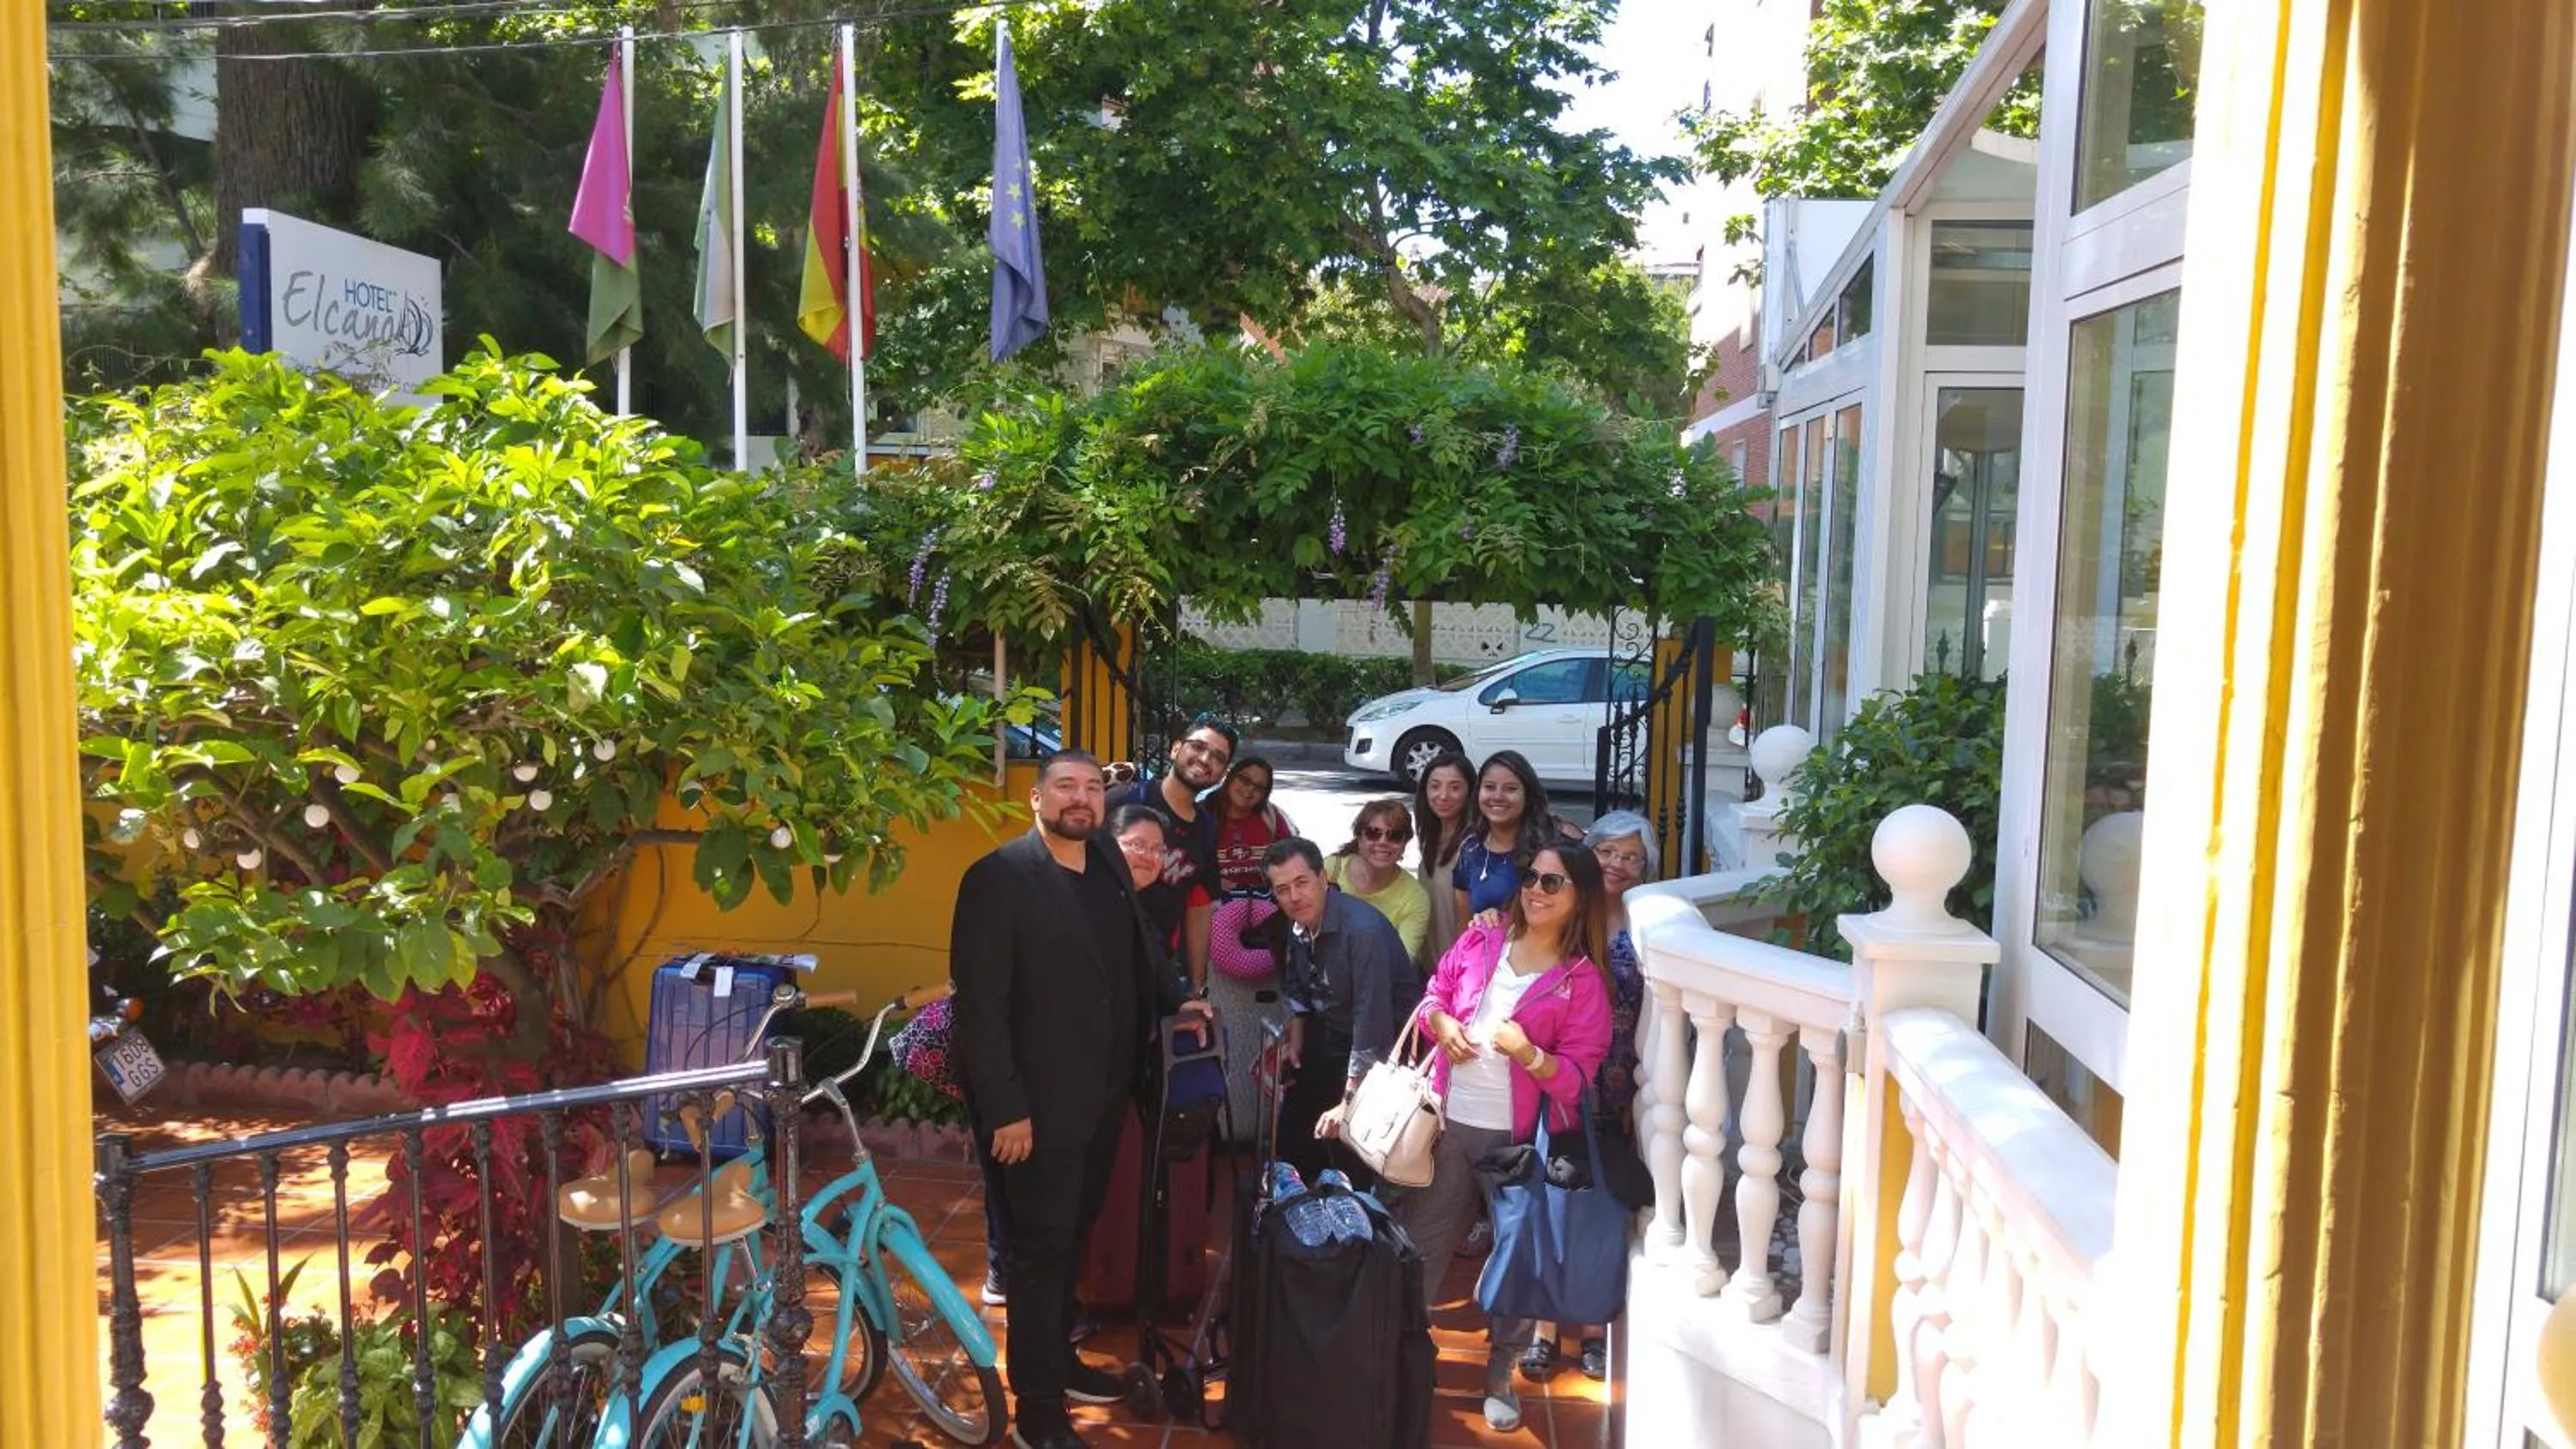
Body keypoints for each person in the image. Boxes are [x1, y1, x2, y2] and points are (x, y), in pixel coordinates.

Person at [951, 749, 1209, 1449]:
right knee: (1038, 1255)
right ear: (1036, 799)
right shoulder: (999, 878)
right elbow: (981, 1006)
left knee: (1069, 1243)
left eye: (1093, 788)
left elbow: (1141, 955)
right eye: (1065, 786)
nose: (1081, 798)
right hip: (1031, 1112)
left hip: (1101, 1099)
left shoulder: (1107, 866)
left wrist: (1179, 997)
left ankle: (1059, 1363)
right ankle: (1036, 1411)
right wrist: (1006, 1108)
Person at [1386, 844, 1613, 1435]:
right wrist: (1442, 1023)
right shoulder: (1482, 939)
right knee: (1420, 1252)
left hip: (1521, 1144)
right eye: (1531, 877)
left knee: (1515, 1263)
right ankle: (1405, 1365)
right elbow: (1435, 992)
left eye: (1553, 882)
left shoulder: (1581, 981)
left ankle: (1499, 1377)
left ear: (1578, 897)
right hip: (1449, 1123)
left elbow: (1579, 1078)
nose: (1536, 889)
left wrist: (1532, 1056)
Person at [1520, 810, 1659, 1385]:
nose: (1618, 865)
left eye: (1631, 857)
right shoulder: (1564, 913)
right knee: (1548, 1201)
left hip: (1616, 1085)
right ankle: (1544, 1328)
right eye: (1608, 852)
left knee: (1603, 1210)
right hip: (1557, 1079)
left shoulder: (1647, 924)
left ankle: (1597, 1324)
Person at [1262, 836, 1410, 1185]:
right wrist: (1296, 1040)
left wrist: (1348, 1101)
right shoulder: (1297, 921)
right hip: (1328, 1029)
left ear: (1323, 877)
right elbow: (1298, 986)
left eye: (1302, 883)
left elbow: (1372, 1021)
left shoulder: (1362, 932)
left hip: (1382, 1048)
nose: (1294, 897)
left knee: (1347, 1151)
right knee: (1292, 1138)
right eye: (1282, 889)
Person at [1105, 715, 1238, 991]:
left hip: (1153, 969)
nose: (1204, 759)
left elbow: (1199, 906)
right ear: (1176, 749)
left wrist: (1197, 987)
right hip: (1097, 956)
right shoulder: (1125, 799)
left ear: (1223, 773)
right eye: (1198, 747)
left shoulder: (1206, 828)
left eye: (1217, 757)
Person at [1449, 750, 1572, 932]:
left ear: (1528, 795)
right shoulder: (1471, 850)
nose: (1498, 796)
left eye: (1510, 789)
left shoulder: (1557, 839)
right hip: (1485, 958)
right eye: (1489, 787)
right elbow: (1464, 929)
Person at [1324, 798, 1431, 963]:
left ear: (1404, 845)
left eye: (1394, 836)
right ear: (1359, 838)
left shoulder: (1415, 898)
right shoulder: (1330, 870)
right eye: (1373, 833)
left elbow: (1402, 962)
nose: (1382, 842)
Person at [1412, 752, 1475, 971]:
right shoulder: (1431, 837)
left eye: (1455, 787)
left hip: (1459, 970)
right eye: (1435, 786)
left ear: (1470, 792)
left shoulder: (1474, 845)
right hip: (1430, 968)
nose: (1443, 795)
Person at [1209, 756, 1295, 893]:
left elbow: (1292, 861)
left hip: (1262, 904)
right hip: (1210, 906)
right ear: (1229, 777)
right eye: (1244, 780)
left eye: (1259, 787)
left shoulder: (1271, 817)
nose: (1249, 789)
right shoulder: (1202, 813)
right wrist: (1210, 881)